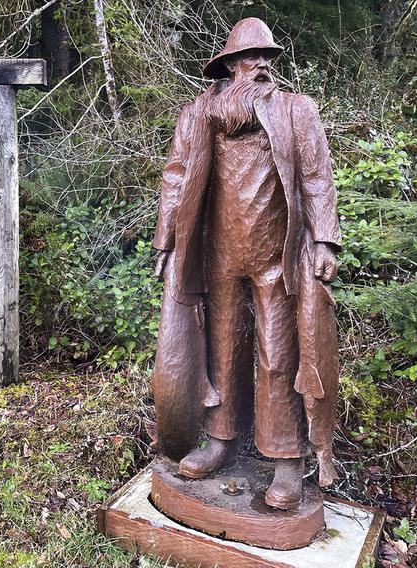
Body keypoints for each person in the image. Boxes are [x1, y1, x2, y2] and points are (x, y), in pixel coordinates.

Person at [151, 17, 341, 510]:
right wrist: (167, 243)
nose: (259, 65)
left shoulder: (297, 111)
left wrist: (324, 241)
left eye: (265, 57)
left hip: (276, 257)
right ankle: (219, 438)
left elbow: (318, 176)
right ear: (231, 65)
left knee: (279, 355)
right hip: (217, 255)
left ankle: (286, 461)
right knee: (222, 352)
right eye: (249, 57)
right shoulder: (201, 112)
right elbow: (175, 177)